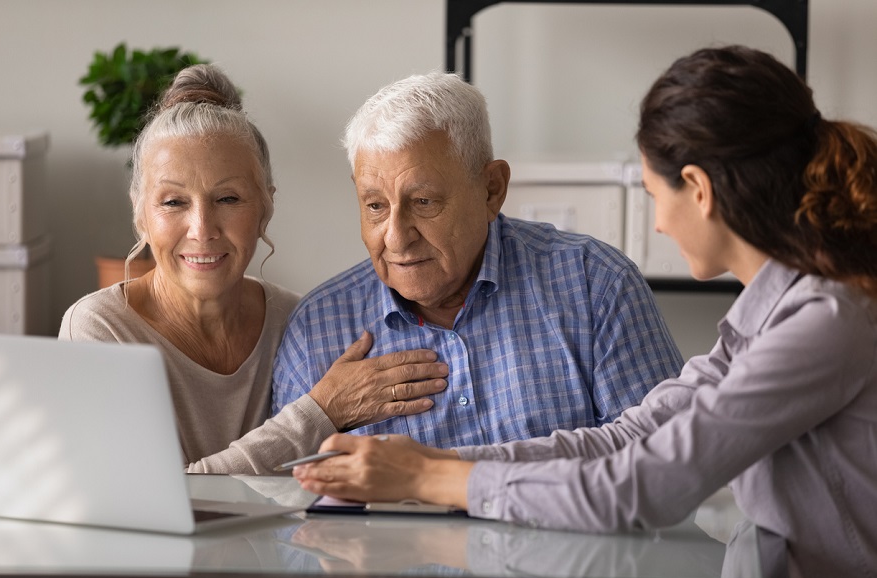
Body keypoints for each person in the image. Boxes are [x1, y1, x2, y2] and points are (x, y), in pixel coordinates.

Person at [293, 46, 877, 578]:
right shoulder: (768, 315)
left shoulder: (824, 322)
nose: (658, 227)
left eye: (652, 196)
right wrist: (431, 463)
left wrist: (423, 483)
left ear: (697, 190)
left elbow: (641, 486)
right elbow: (624, 439)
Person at [59, 64, 448, 473]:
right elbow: (157, 505)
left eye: (228, 199)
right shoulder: (98, 331)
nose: (202, 229)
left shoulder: (298, 324)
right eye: (173, 202)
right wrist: (321, 412)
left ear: (265, 207)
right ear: (140, 214)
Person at [271, 71, 683, 449]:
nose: (396, 237)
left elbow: (665, 467)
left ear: (492, 189)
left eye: (424, 201)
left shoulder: (596, 285)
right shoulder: (317, 332)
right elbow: (286, 517)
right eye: (375, 206)